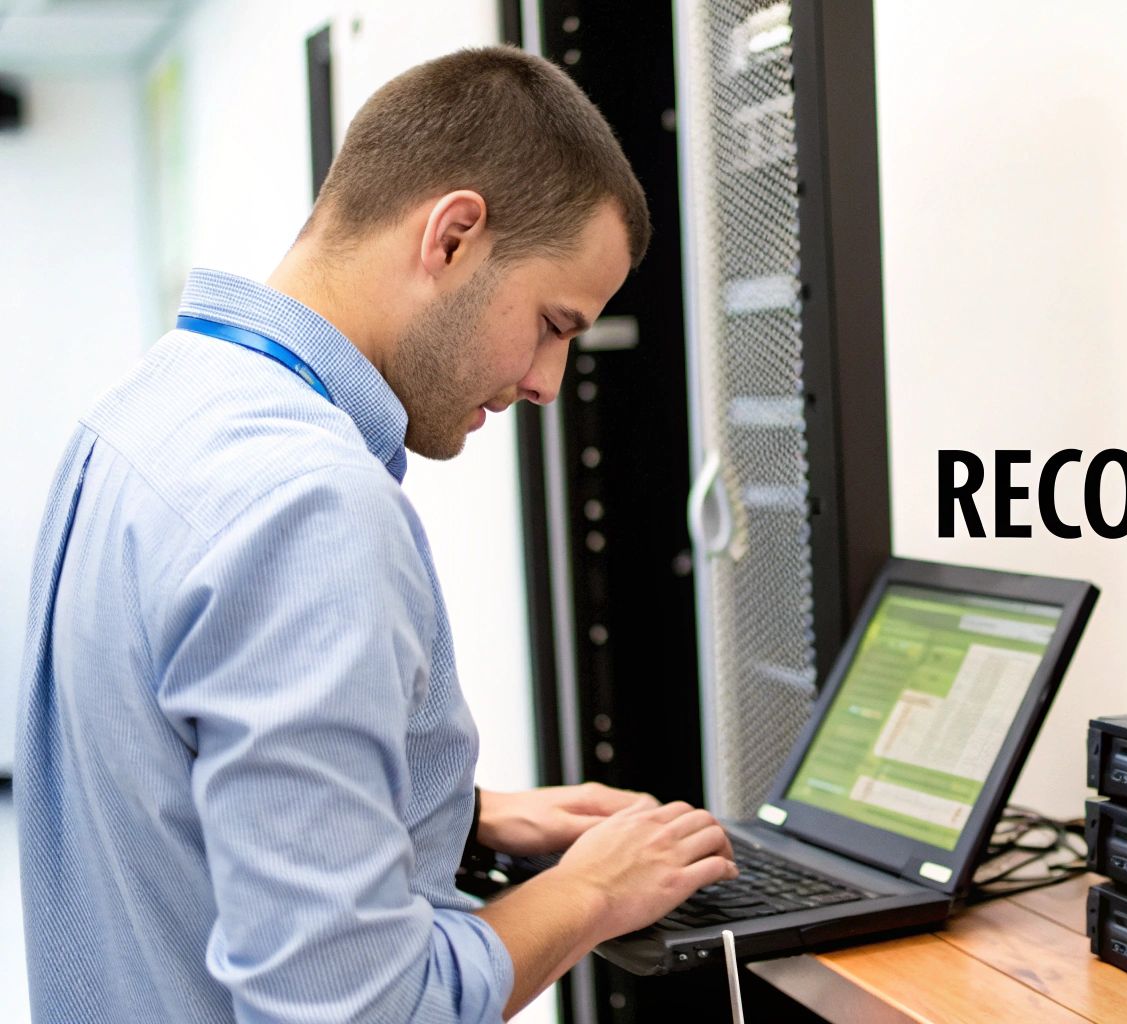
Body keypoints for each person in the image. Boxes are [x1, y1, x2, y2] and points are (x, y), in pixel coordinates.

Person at [14, 46, 735, 1023]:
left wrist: (462, 822)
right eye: (553, 324)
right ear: (452, 237)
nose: (547, 382)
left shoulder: (147, 411)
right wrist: (590, 892)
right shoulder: (311, 506)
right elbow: (359, 1011)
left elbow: (162, 795)